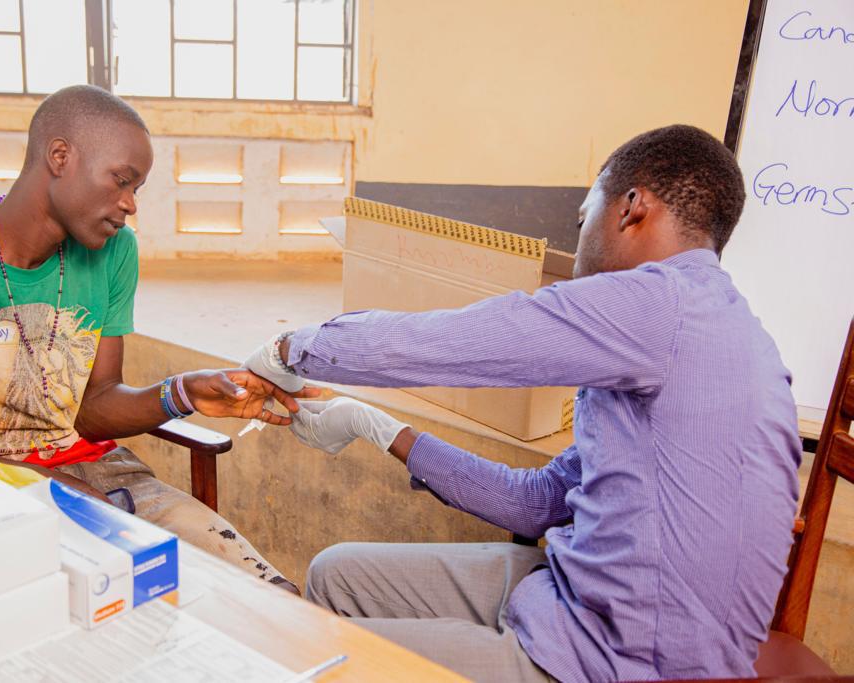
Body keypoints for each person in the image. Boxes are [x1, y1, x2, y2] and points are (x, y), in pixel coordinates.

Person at [245, 125, 801, 680]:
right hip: (573, 600)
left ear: (632, 209)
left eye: (582, 220)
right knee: (336, 574)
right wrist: (375, 425)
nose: (578, 243)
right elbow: (536, 503)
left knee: (319, 656)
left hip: (616, 663)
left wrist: (291, 350)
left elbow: (455, 344)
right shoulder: (719, 332)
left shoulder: (659, 306)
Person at [0, 85, 312, 591]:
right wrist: (19, 479)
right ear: (59, 156)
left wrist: (183, 392)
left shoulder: (113, 251)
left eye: (136, 189)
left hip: (96, 475)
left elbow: (94, 405)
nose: (129, 204)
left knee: (269, 597)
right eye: (121, 181)